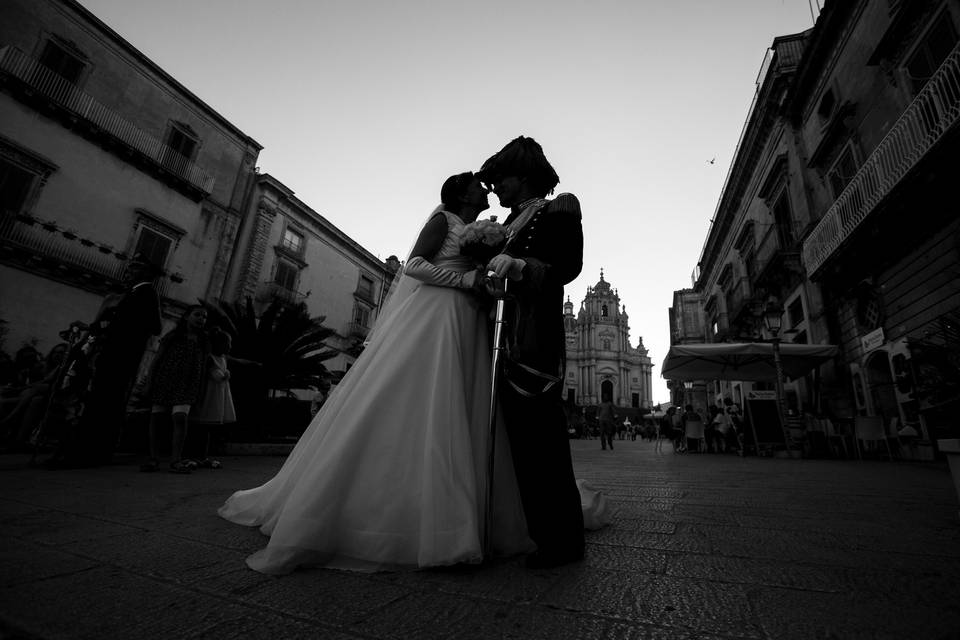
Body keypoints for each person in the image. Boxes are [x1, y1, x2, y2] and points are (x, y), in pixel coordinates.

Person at [217, 172, 534, 574]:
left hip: (467, 318)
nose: (484, 188)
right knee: (424, 393)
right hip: (437, 313)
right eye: (476, 184)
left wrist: (483, 283)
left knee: (461, 397)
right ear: (460, 192)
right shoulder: (445, 222)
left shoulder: (479, 231)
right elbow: (416, 265)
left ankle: (463, 513)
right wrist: (463, 278)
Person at [478, 136, 586, 569]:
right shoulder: (507, 225)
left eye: (500, 180)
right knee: (519, 443)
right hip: (498, 338)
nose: (496, 190)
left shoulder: (556, 209)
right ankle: (535, 531)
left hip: (533, 339)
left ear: (522, 177)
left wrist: (524, 267)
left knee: (542, 441)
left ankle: (562, 541)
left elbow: (568, 265)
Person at [47, 255, 162, 467]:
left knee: (104, 403)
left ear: (146, 273)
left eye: (134, 268)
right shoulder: (133, 294)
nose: (127, 272)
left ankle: (88, 453)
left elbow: (153, 326)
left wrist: (105, 329)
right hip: (112, 357)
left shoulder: (146, 293)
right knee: (99, 403)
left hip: (119, 359)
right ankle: (88, 451)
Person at [140, 305, 209, 474]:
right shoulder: (173, 336)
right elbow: (157, 359)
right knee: (156, 418)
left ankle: (175, 460)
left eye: (204, 317)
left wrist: (201, 389)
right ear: (187, 317)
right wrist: (149, 382)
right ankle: (153, 458)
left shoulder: (204, 340)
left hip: (188, 384)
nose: (201, 319)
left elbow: (205, 366)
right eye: (197, 315)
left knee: (180, 417)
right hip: (165, 380)